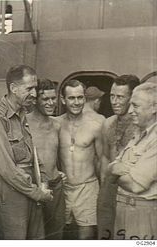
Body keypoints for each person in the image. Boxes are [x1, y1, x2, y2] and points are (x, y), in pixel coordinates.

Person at [0, 65, 53, 239]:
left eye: (35, 88)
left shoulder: (22, 113)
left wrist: (43, 181)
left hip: (28, 188)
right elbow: (5, 168)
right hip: (10, 191)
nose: (35, 94)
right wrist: (37, 193)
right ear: (13, 89)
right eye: (29, 88)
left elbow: (32, 154)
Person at [107, 82, 157, 239]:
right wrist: (115, 169)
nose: (130, 111)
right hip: (124, 210)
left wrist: (114, 171)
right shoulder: (139, 134)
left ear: (154, 107)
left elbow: (135, 185)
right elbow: (111, 167)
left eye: (135, 106)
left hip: (142, 215)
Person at [58, 79, 103, 239]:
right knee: (63, 236)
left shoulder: (96, 124)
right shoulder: (56, 124)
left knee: (87, 238)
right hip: (63, 189)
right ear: (63, 100)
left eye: (80, 97)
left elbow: (102, 161)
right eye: (71, 98)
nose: (76, 102)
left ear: (85, 98)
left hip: (88, 188)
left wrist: (104, 193)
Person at [97, 75, 140, 239]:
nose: (114, 101)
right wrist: (104, 191)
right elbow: (104, 158)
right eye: (112, 96)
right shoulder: (108, 123)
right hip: (108, 190)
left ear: (132, 97)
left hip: (132, 192)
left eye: (120, 97)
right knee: (105, 236)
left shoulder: (142, 127)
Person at [26, 79, 66, 239]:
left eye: (53, 98)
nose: (51, 103)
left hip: (55, 186)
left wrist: (59, 172)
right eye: (45, 99)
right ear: (35, 100)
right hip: (34, 187)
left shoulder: (56, 125)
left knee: (56, 235)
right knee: (35, 236)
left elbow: (56, 155)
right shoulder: (25, 123)